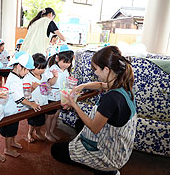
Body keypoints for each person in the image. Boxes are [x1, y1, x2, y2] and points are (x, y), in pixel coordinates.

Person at [51, 46, 137, 175]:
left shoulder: (111, 98)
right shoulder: (123, 85)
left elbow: (94, 127)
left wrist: (74, 104)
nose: (95, 73)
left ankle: (105, 170)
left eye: (96, 69)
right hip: (121, 148)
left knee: (56, 151)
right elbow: (102, 85)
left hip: (109, 155)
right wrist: (83, 86)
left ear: (106, 70)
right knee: (79, 123)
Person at [0, 51, 41, 157]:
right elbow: (19, 99)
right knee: (9, 131)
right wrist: (32, 104)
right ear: (19, 66)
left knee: (14, 128)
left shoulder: (19, 76)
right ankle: (7, 149)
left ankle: (13, 142)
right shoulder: (14, 79)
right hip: (10, 111)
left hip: (16, 110)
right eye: (26, 69)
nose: (27, 72)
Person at [44, 45, 74, 142]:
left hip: (60, 96)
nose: (66, 65)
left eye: (69, 62)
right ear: (57, 58)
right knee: (50, 115)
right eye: (64, 62)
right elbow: (50, 83)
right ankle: (47, 132)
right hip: (52, 96)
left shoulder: (65, 70)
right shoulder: (53, 69)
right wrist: (55, 77)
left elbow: (65, 83)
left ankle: (52, 131)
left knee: (56, 115)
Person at [23, 53, 48, 143]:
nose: (41, 70)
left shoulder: (43, 76)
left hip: (43, 102)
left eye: (43, 68)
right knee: (32, 120)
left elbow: (46, 89)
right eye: (39, 68)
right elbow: (26, 95)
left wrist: (46, 87)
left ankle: (37, 132)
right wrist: (33, 88)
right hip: (33, 103)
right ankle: (30, 133)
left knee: (41, 120)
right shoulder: (27, 77)